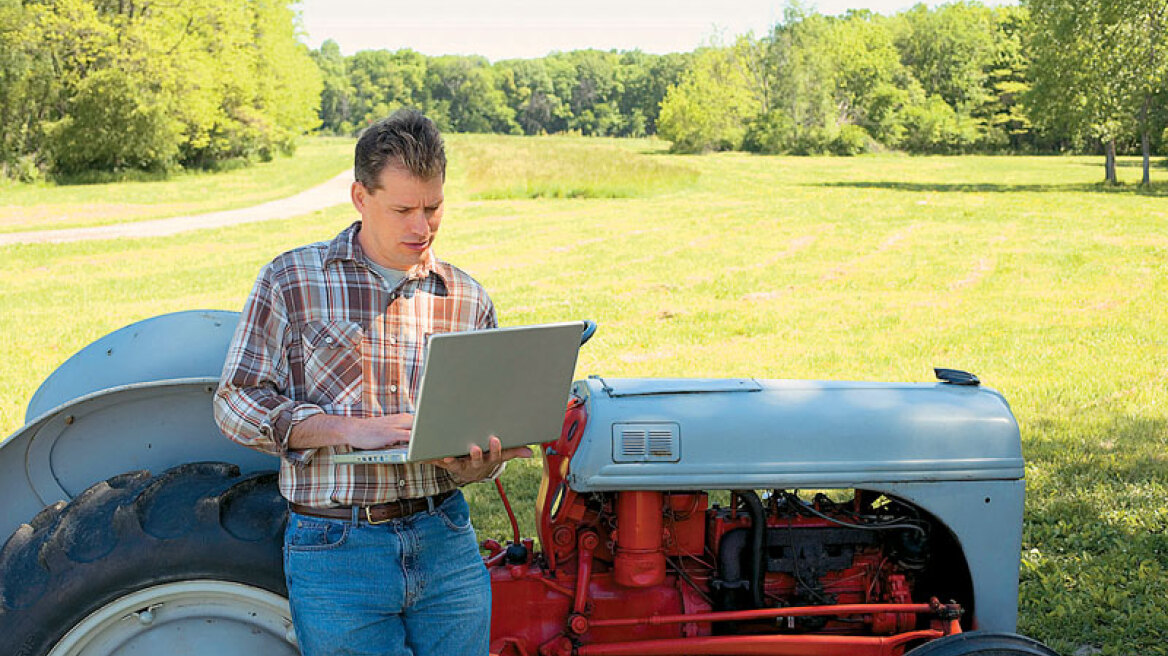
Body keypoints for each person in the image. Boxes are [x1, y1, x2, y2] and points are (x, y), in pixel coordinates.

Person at [213, 109, 530, 656]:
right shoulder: (292, 279)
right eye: (403, 209)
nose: (421, 227)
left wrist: (481, 463)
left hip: (446, 538)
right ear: (360, 197)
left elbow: (488, 425)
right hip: (336, 546)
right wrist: (342, 429)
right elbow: (234, 402)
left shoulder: (467, 298)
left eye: (433, 208)